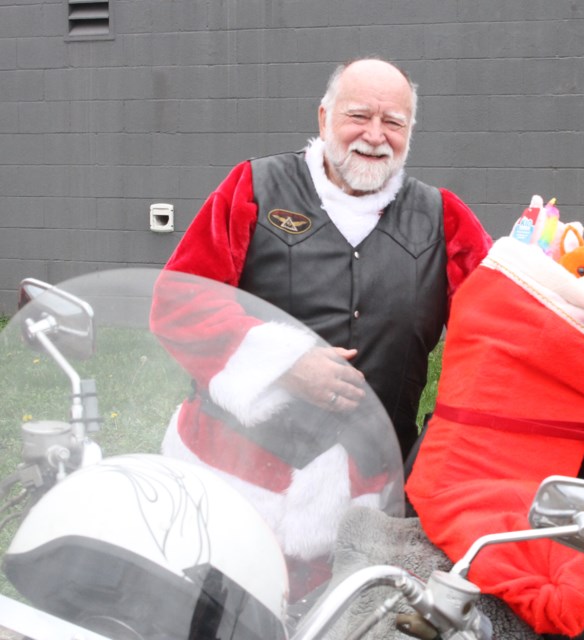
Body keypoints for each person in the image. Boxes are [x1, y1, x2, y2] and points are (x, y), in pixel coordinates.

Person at [152, 58, 492, 600]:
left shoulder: (443, 217)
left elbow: (507, 325)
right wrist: (284, 365)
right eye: (359, 116)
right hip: (231, 480)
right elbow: (179, 301)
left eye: (394, 122)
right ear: (324, 115)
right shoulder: (253, 187)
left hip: (363, 498)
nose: (375, 136)